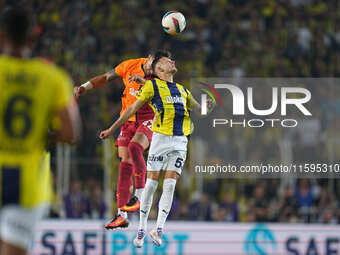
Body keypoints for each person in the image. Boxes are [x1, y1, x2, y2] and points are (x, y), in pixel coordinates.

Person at [99, 50, 214, 247]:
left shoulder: (182, 90)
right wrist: (112, 128)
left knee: (169, 186)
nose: (173, 61)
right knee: (151, 186)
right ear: (159, 68)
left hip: (180, 142)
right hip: (160, 140)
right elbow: (131, 109)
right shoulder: (151, 86)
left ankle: (158, 230)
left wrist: (208, 107)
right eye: (168, 60)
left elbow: (199, 110)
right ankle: (141, 230)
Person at [0, 6, 80, 255]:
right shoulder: (53, 78)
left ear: (2, 36)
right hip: (29, 183)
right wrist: (40, 134)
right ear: (33, 38)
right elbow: (70, 134)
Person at [74, 51, 168, 229]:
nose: (154, 69)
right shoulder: (129, 65)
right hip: (128, 119)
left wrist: (111, 129)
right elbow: (106, 77)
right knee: (125, 163)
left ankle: (140, 195)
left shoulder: (160, 76)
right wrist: (84, 87)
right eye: (153, 65)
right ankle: (121, 215)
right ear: (148, 59)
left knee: (135, 147)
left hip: (150, 118)